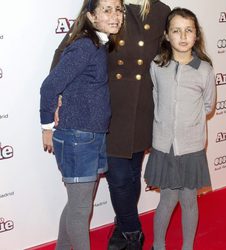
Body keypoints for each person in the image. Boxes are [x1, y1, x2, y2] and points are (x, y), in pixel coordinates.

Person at [50, 0, 171, 249]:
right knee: (118, 177)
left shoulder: (161, 11)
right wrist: (59, 98)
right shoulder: (110, 4)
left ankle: (122, 227)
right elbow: (65, 50)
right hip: (108, 106)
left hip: (141, 105)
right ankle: (131, 232)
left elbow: (168, 53)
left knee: (131, 175)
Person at [40, 0, 124, 249]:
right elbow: (49, 87)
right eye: (107, 10)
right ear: (91, 16)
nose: (115, 15)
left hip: (91, 136)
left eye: (118, 9)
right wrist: (46, 127)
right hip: (78, 138)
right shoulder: (85, 46)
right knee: (80, 210)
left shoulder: (99, 44)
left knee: (76, 205)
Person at [144, 7, 216, 250]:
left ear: (196, 35)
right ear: (166, 35)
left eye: (189, 30)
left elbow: (207, 105)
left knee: (189, 200)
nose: (183, 36)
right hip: (165, 146)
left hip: (191, 147)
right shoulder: (157, 65)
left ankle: (188, 247)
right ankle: (158, 245)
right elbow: (156, 96)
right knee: (167, 199)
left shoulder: (204, 69)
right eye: (176, 30)